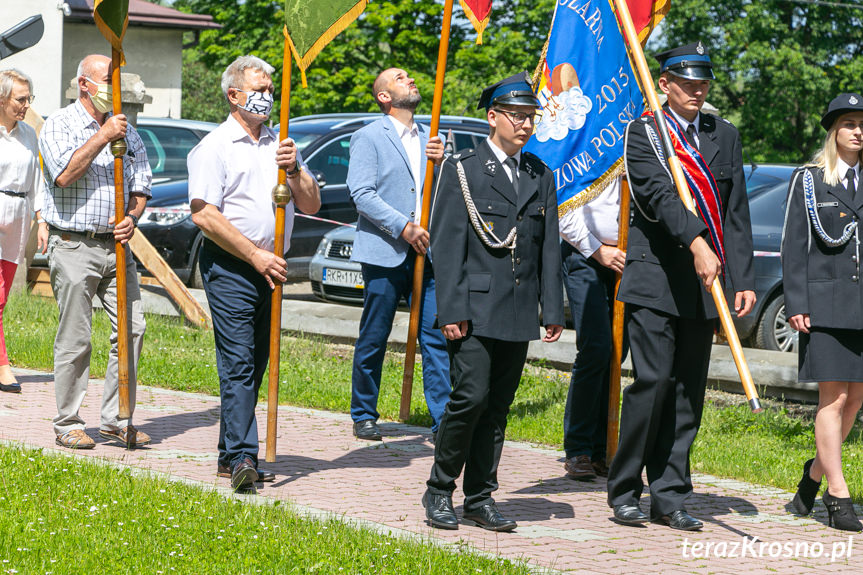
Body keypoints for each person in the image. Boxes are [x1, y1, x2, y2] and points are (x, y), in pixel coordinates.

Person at [606, 42, 756, 531]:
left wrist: (743, 280)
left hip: (703, 286)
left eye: (703, 83)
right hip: (655, 279)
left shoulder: (723, 134)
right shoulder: (645, 132)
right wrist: (696, 243)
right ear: (664, 84)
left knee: (687, 393)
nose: (697, 91)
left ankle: (669, 494)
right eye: (687, 83)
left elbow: (735, 213)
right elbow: (658, 196)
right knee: (652, 385)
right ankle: (625, 489)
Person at [422, 72, 565, 532]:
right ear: (493, 117)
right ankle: (440, 488)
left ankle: (480, 496)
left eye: (531, 118)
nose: (525, 125)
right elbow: (446, 246)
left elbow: (549, 246)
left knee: (499, 406)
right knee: (470, 398)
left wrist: (552, 307)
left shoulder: (539, 174)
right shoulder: (462, 169)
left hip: (519, 309)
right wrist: (452, 310)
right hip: (474, 309)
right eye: (517, 116)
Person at [188, 55, 320, 491]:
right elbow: (205, 214)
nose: (266, 98)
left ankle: (230, 452)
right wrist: (253, 255)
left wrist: (296, 166)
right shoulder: (214, 147)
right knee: (239, 362)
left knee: (257, 361)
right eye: (259, 91)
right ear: (234, 96)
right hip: (232, 266)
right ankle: (245, 457)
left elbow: (312, 204)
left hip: (273, 268)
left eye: (270, 90)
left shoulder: (279, 144)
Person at [38, 55, 152, 450]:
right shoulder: (60, 124)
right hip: (73, 243)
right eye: (107, 81)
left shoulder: (128, 131)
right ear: (85, 84)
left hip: (117, 246)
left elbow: (141, 188)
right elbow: (63, 174)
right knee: (76, 335)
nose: (113, 90)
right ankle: (68, 421)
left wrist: (132, 217)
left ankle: (116, 419)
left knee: (132, 328)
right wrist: (103, 137)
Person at [347, 67, 450, 441]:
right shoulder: (369, 136)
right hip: (385, 250)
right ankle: (363, 412)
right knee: (375, 333)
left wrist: (443, 164)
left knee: (436, 336)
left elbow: (442, 195)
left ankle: (443, 419)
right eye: (399, 77)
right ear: (383, 96)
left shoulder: (432, 138)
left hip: (428, 252)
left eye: (409, 76)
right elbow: (361, 193)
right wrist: (402, 227)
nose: (409, 79)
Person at [784, 94, 863, 532]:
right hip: (826, 307)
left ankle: (810, 480)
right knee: (832, 400)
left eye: (862, 124)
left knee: (855, 400)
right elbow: (793, 246)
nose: (858, 131)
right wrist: (797, 303)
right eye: (849, 123)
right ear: (834, 130)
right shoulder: (810, 180)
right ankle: (837, 494)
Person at [559, 181, 625, 480]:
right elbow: (564, 210)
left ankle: (603, 448)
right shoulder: (590, 140)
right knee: (596, 346)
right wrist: (598, 251)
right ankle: (579, 448)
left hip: (627, 258)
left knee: (617, 351)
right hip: (584, 253)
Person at [0, 69, 44, 394]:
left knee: (2, 296)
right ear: (2, 99)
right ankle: (3, 365)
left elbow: (36, 181)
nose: (26, 104)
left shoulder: (29, 134)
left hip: (18, 218)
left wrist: (40, 219)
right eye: (20, 99)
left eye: (28, 98)